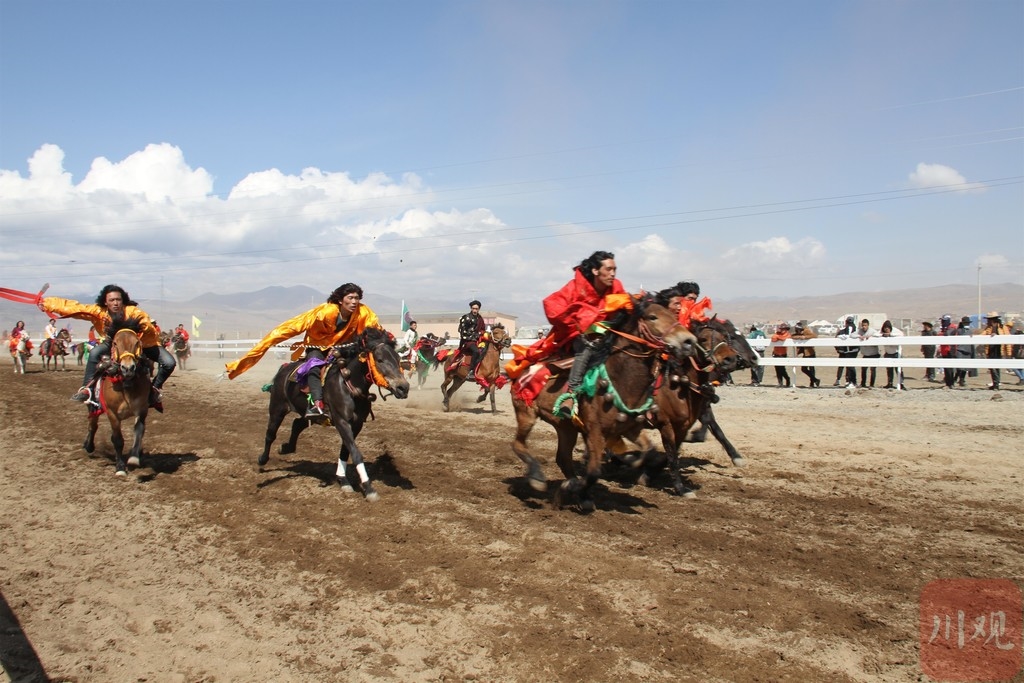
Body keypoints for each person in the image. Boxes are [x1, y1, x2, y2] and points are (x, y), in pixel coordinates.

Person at [225, 283, 382, 417]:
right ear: (341, 300)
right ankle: (317, 403)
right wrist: (269, 342)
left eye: (357, 298)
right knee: (314, 365)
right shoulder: (324, 312)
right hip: (317, 346)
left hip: (342, 347)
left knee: (360, 363)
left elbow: (375, 328)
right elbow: (295, 325)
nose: (354, 302)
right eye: (350, 298)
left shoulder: (363, 312)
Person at [506, 250, 630, 419]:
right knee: (586, 349)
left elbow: (625, 305)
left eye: (614, 269)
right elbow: (552, 306)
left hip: (609, 334)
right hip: (577, 336)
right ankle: (571, 394)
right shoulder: (574, 287)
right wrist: (580, 321)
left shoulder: (616, 286)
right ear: (595, 270)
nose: (613, 273)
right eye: (608, 269)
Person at [38, 285, 174, 409]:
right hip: (112, 343)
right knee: (94, 353)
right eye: (112, 300)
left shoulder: (133, 311)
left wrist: (143, 329)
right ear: (105, 302)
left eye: (118, 300)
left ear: (123, 300)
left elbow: (145, 322)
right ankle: (87, 390)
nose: (115, 303)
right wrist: (48, 304)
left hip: (142, 343)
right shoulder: (98, 312)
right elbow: (75, 307)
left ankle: (154, 389)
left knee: (169, 363)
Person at [978, 312, 1011, 390]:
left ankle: (996, 383)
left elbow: (1008, 340)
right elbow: (983, 334)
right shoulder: (988, 328)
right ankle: (995, 383)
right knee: (992, 367)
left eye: (989, 320)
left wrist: (1008, 353)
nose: (987, 321)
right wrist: (974, 337)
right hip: (990, 349)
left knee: (996, 366)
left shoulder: (1003, 327)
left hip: (999, 349)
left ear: (993, 320)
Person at [458, 301, 487, 373]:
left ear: (479, 309)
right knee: (476, 351)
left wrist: (482, 334)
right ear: (471, 308)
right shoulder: (466, 317)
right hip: (468, 341)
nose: (475, 310)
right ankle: (471, 370)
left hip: (478, 340)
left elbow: (483, 329)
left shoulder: (480, 318)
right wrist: (475, 335)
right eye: (473, 308)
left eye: (476, 309)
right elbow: (462, 331)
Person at [791, 322, 820, 388]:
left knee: (811, 368)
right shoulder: (798, 333)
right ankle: (815, 380)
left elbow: (814, 336)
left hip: (810, 352)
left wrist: (805, 337)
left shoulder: (806, 331)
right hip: (805, 353)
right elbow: (792, 336)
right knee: (804, 368)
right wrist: (799, 336)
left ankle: (812, 383)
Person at [878, 320, 905, 390]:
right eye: (885, 328)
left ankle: (901, 384)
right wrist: (883, 335)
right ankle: (890, 383)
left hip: (896, 353)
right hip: (888, 353)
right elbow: (876, 334)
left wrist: (890, 335)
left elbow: (901, 334)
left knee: (898, 370)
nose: (886, 329)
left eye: (887, 328)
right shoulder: (882, 332)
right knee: (889, 370)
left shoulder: (895, 331)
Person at [834, 316, 859, 388]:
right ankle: (842, 380)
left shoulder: (852, 329)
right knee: (845, 366)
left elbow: (850, 336)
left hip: (851, 351)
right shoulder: (845, 330)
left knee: (850, 366)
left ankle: (851, 381)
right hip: (845, 351)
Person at [857, 318, 879, 388]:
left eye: (865, 325)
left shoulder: (872, 331)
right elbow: (852, 335)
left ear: (868, 325)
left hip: (873, 354)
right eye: (863, 325)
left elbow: (878, 335)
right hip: (865, 354)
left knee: (873, 370)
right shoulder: (860, 331)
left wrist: (871, 337)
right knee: (863, 369)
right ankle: (863, 383)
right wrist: (859, 336)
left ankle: (872, 384)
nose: (864, 327)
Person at [770, 322, 792, 387]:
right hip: (776, 353)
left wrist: (778, 337)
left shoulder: (787, 334)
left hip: (782, 354)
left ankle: (787, 378)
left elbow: (784, 339)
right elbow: (773, 339)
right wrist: (778, 336)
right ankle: (780, 382)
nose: (782, 330)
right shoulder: (777, 334)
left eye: (784, 329)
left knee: (782, 369)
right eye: (781, 329)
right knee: (777, 368)